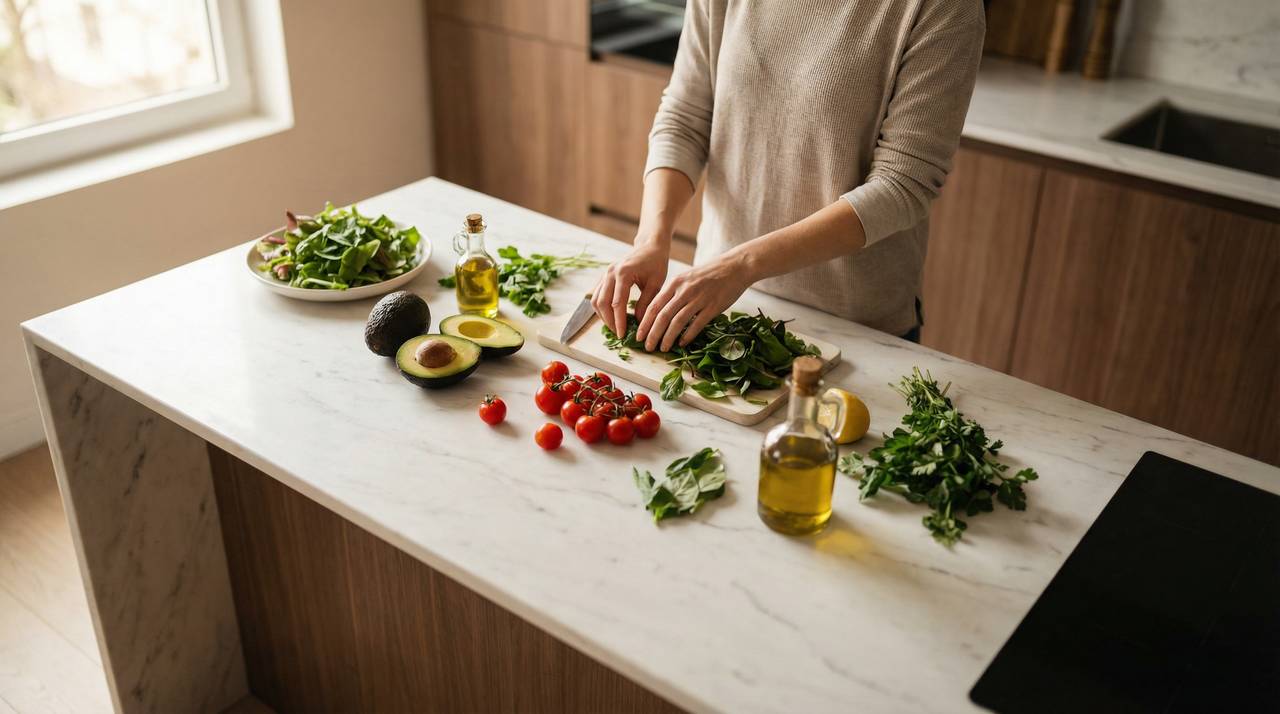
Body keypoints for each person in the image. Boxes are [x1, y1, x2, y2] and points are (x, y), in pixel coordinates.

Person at [592, 0, 986, 351]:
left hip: (851, 326)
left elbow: (903, 184)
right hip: (719, 304)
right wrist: (651, 240)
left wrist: (742, 265)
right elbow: (685, 120)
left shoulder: (944, 8)